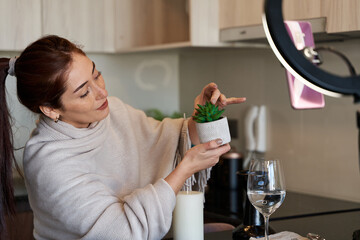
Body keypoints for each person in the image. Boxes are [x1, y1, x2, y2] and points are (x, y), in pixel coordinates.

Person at [0, 35, 246, 240]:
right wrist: (184, 170)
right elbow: (122, 232)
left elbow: (162, 141)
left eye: (97, 75)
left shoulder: (111, 111)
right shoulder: (49, 162)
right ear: (50, 109)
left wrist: (202, 118)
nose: (102, 92)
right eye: (84, 92)